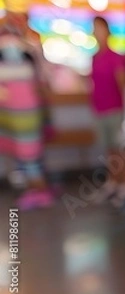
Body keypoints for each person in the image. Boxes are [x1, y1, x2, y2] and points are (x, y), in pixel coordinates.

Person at [0, 10, 54, 210]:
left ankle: (39, 191)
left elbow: (42, 76)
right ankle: (36, 190)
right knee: (27, 155)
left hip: (25, 110)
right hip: (21, 110)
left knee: (29, 154)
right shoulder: (28, 44)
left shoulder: (25, 44)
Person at [90, 16, 125, 207]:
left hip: (116, 111)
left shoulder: (115, 57)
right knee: (109, 150)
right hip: (100, 111)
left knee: (120, 151)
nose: (96, 32)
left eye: (99, 28)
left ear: (107, 31)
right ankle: (113, 182)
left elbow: (123, 84)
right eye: (94, 29)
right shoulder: (95, 58)